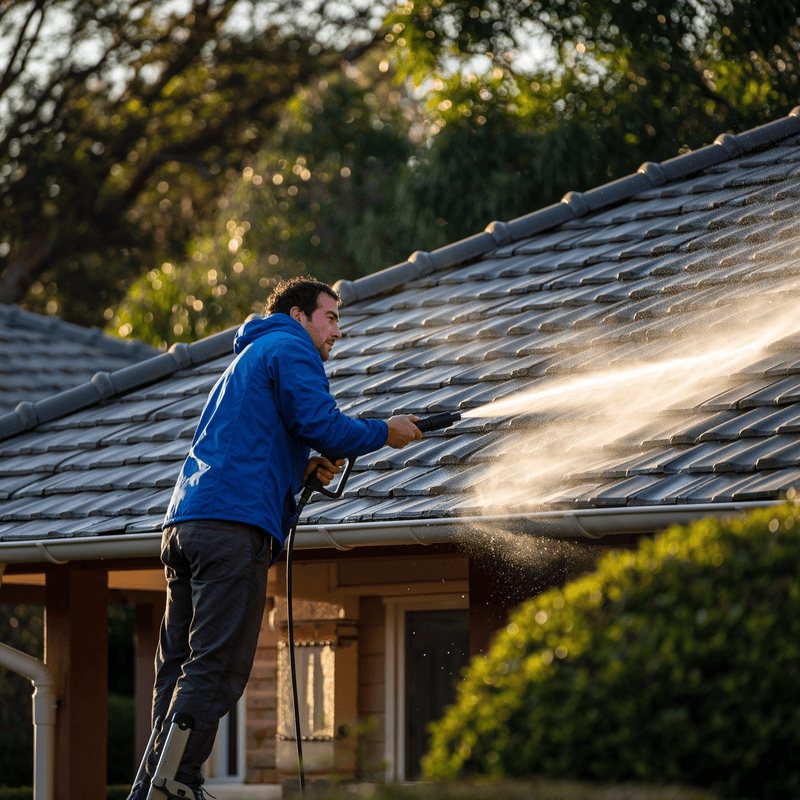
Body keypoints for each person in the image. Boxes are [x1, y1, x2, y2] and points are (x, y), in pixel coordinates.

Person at [128, 277, 421, 800]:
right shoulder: (290, 346)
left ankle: (152, 784)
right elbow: (325, 424)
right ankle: (174, 784)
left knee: (178, 667)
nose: (337, 331)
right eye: (330, 318)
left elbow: (260, 440)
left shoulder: (251, 358)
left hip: (188, 524)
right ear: (297, 314)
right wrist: (385, 431)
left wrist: (301, 469)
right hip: (232, 529)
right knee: (218, 664)